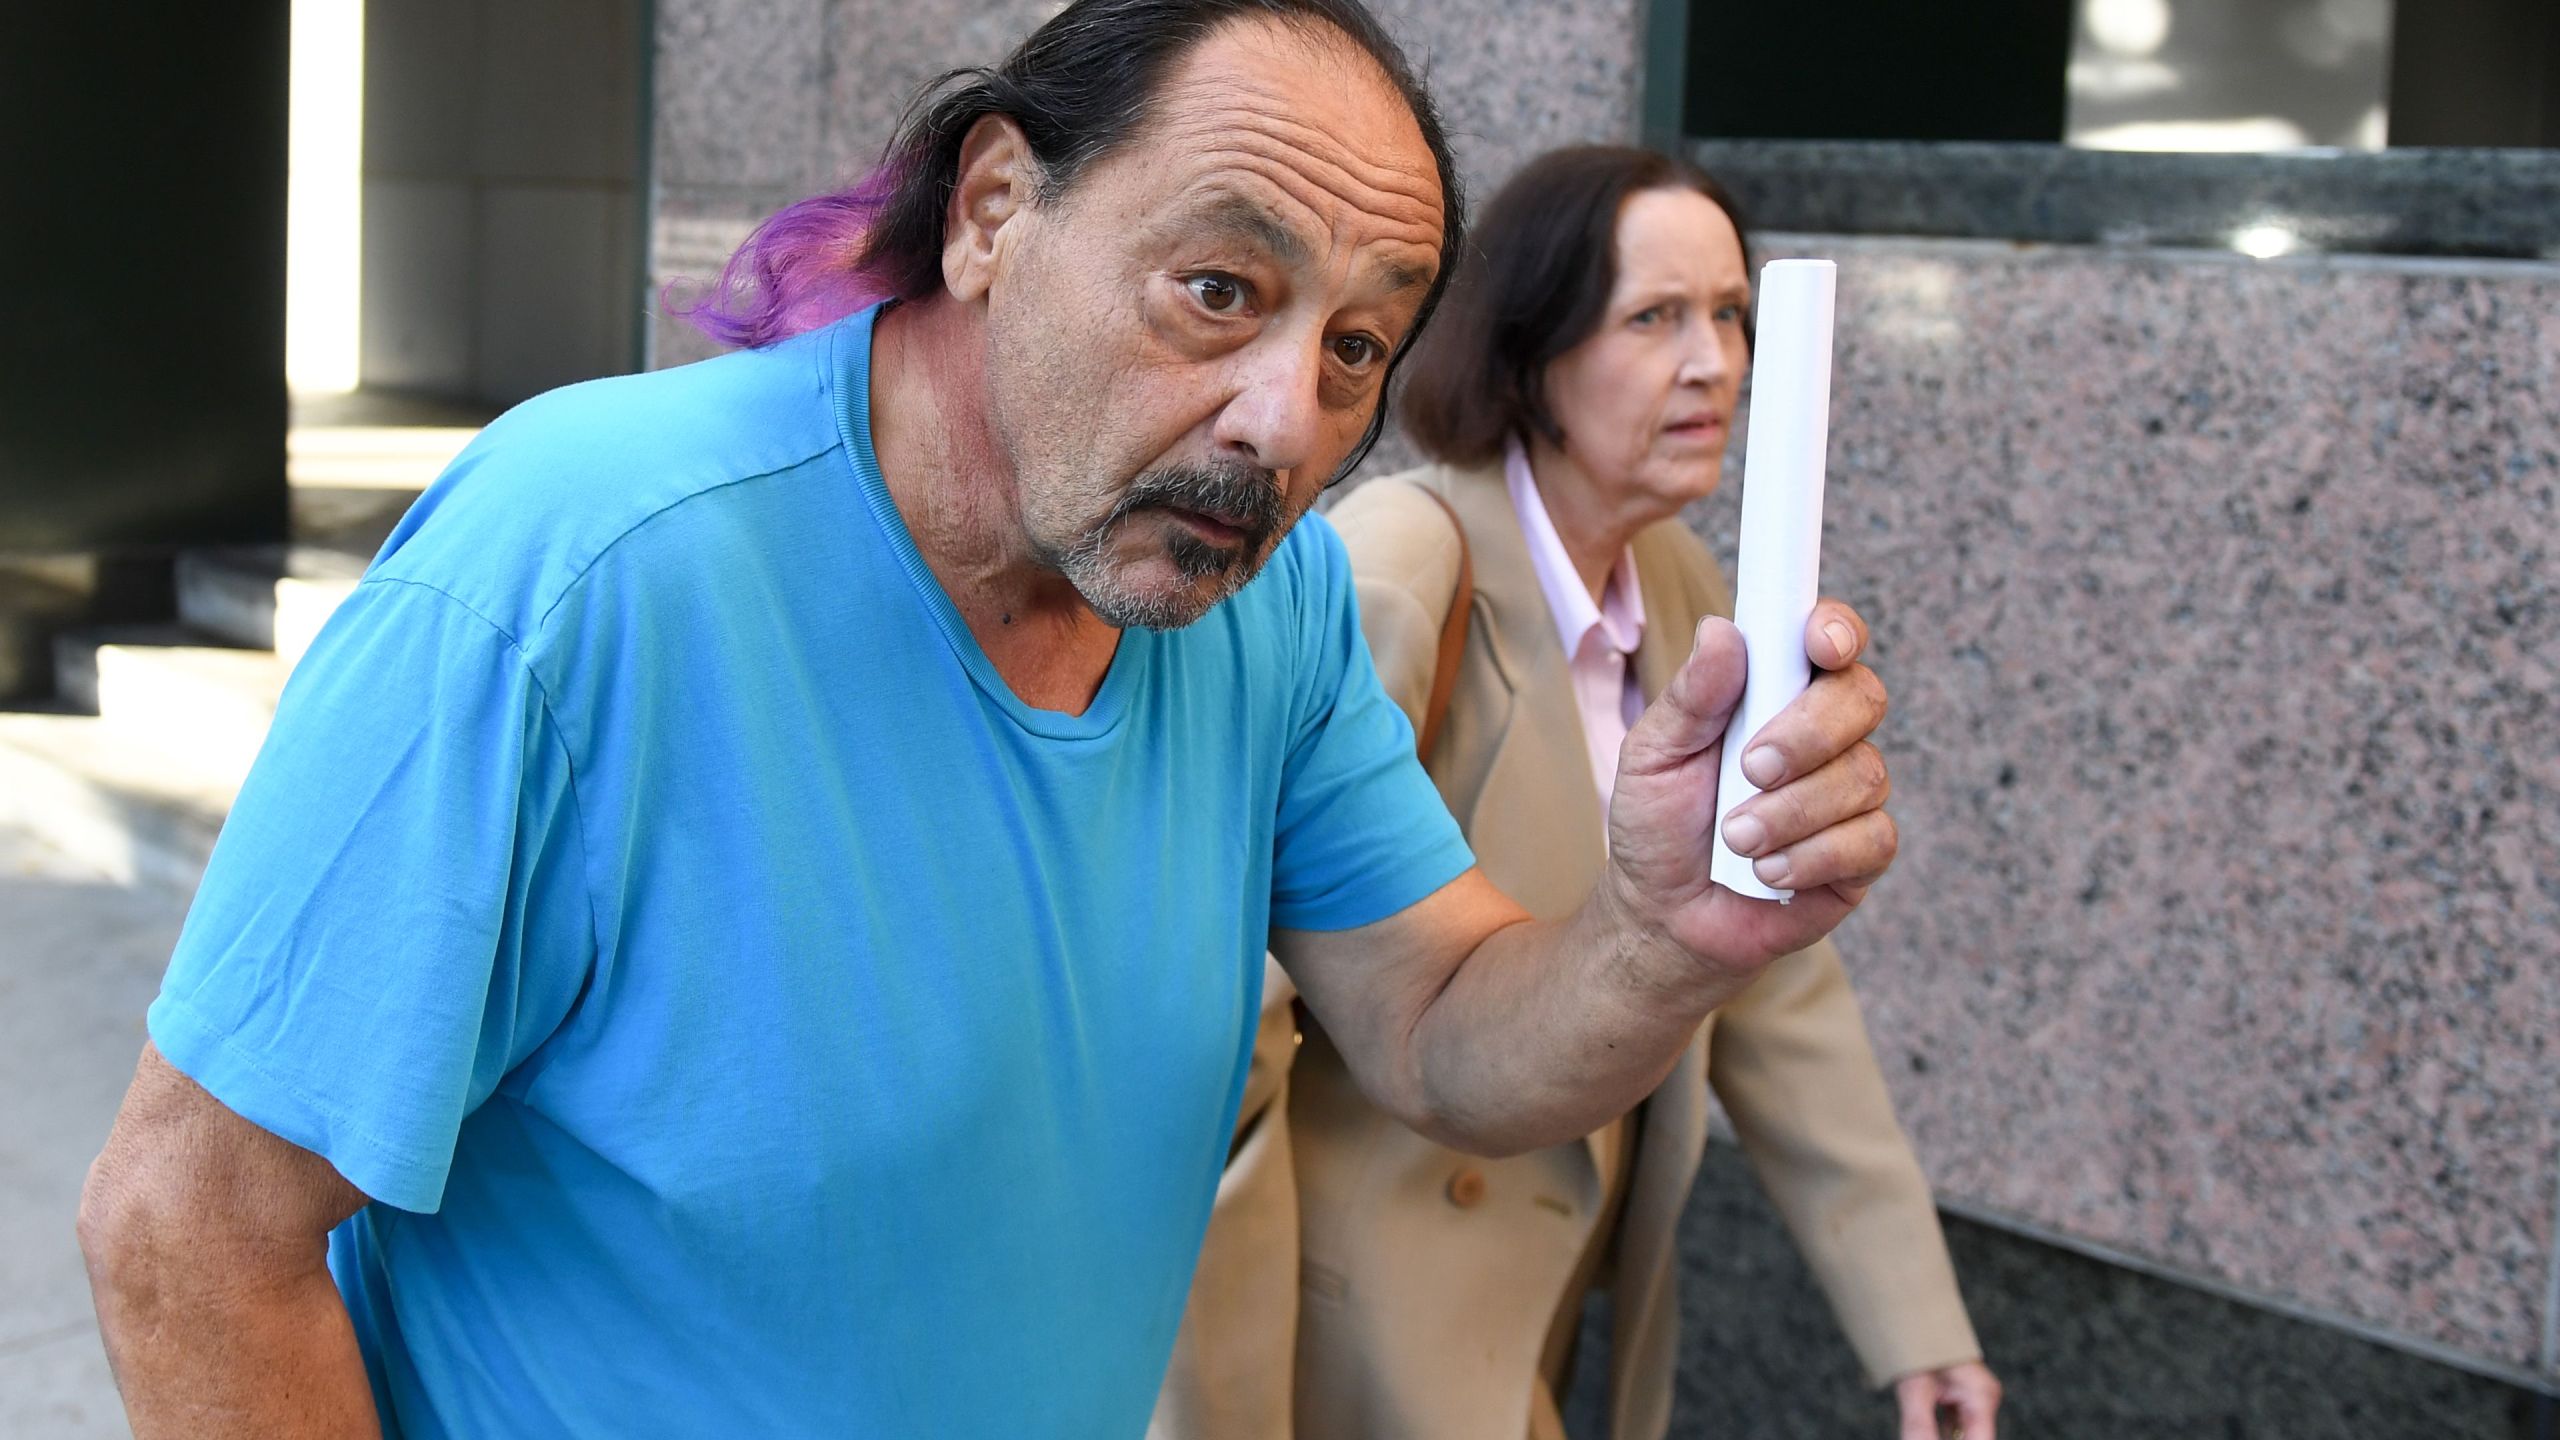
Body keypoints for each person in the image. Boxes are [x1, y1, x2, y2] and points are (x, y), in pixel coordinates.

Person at [75, 5, 1902, 1435]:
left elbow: (1439, 1032)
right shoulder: (584, 566)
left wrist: (1665, 939)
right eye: (1220, 289)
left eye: (1357, 348)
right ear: (994, 213)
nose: (1285, 418)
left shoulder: (1262, 617)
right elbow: (187, 1232)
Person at [1154, 148, 2001, 1440]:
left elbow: (1765, 977)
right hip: (1336, 1334)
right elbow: (1231, 1041)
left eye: (1731, 314)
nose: (1714, 361)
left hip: (1537, 1309)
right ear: (1530, 349)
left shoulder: (1684, 593)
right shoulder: (1399, 567)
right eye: (1655, 317)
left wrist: (1914, 1327)